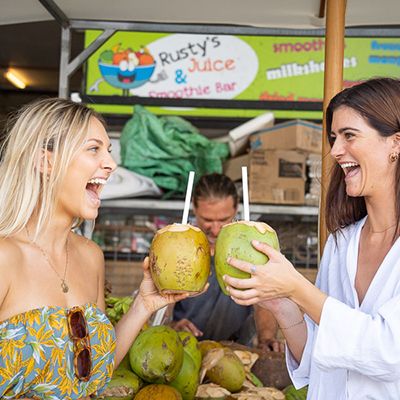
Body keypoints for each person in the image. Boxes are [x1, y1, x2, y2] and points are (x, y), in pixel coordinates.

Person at [223, 77, 400, 399]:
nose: (335, 151)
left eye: (349, 136)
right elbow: (319, 356)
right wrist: (282, 305)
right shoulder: (342, 243)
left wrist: (298, 288)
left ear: (395, 143)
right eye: (334, 137)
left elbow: (388, 352)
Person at [0, 98, 188, 399]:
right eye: (93, 149)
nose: (111, 165)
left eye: (108, 152)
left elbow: (92, 373)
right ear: (46, 161)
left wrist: (145, 304)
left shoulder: (91, 256)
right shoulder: (5, 256)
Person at [172, 173, 283, 351]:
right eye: (207, 220)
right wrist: (172, 325)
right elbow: (161, 306)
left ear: (236, 208)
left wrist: (267, 337)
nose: (215, 230)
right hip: (183, 350)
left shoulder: (251, 244)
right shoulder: (178, 245)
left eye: (223, 220)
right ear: (194, 207)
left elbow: (264, 299)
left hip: (237, 352)